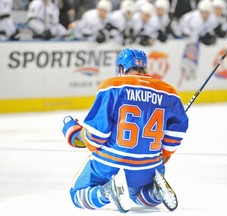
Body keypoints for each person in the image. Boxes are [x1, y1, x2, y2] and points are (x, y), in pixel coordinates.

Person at [62, 48, 189, 213]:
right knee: (136, 193)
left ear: (121, 68)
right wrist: (162, 156)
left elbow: (96, 137)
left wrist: (73, 133)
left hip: (110, 165)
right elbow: (175, 136)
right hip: (149, 167)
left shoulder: (111, 86)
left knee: (76, 194)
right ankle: (154, 193)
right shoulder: (169, 92)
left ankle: (106, 191)